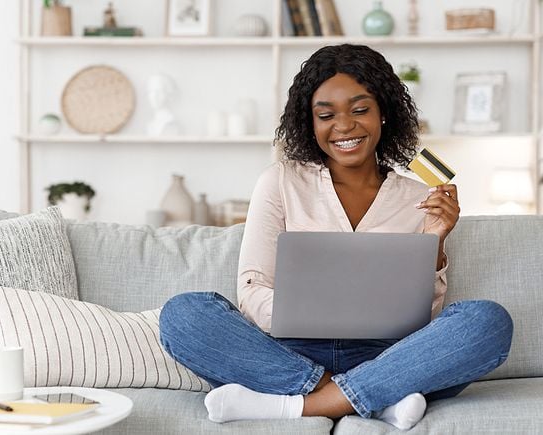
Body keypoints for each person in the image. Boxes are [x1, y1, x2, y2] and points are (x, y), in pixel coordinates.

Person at [158, 44, 513, 430]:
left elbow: (421, 319)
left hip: (388, 356)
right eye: (326, 115)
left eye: (360, 110)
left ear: (384, 114)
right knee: (184, 315)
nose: (344, 126)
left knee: (487, 321)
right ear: (310, 123)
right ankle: (374, 400)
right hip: (288, 353)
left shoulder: (419, 197)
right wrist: (305, 314)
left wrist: (436, 240)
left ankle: (300, 404)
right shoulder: (280, 181)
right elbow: (252, 289)